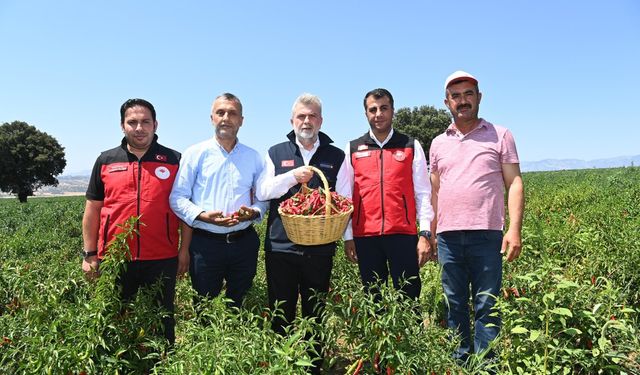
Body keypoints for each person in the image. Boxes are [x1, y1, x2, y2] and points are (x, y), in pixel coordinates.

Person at [430, 71, 524, 361]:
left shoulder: (500, 135)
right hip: (448, 236)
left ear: (479, 98)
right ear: (447, 102)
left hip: (487, 234)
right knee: (454, 302)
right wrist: (431, 234)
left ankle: (486, 364)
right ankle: (460, 360)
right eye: (456, 96)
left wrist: (514, 229)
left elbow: (515, 182)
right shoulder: (437, 143)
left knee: (487, 303)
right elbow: (435, 191)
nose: (463, 101)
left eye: (468, 94)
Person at [256, 93, 350, 374]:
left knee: (316, 311)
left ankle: (313, 367)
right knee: (280, 309)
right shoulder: (275, 152)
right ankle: (282, 365)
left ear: (320, 120)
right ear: (292, 120)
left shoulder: (337, 156)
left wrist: (347, 239)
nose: (306, 121)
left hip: (320, 247)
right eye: (301, 116)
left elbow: (344, 199)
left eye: (312, 116)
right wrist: (291, 177)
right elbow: (263, 191)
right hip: (280, 246)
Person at [82, 98, 183, 345]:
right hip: (114, 258)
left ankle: (163, 365)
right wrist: (89, 254)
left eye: (145, 122)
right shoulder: (106, 160)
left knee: (162, 321)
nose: (139, 128)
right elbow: (93, 209)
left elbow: (185, 210)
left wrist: (184, 251)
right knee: (112, 320)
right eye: (132, 122)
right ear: (122, 125)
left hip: (162, 257)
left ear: (155, 124)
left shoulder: (174, 160)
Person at [169, 92, 267, 309]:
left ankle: (236, 340)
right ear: (212, 117)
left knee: (239, 304)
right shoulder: (195, 153)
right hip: (205, 244)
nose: (226, 117)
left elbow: (263, 198)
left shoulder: (254, 157)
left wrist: (253, 212)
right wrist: (203, 216)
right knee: (203, 306)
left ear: (241, 120)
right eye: (220, 112)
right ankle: (206, 343)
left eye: (232, 113)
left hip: (244, 243)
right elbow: (177, 197)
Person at [344, 88, 435, 300]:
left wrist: (424, 234)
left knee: (409, 296)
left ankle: (412, 334)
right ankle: (377, 334)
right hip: (365, 236)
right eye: (372, 109)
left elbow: (423, 193)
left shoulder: (411, 145)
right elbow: (346, 197)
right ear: (366, 113)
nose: (378, 114)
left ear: (393, 110)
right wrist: (348, 237)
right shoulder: (353, 148)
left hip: (403, 235)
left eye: (384, 108)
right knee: (373, 297)